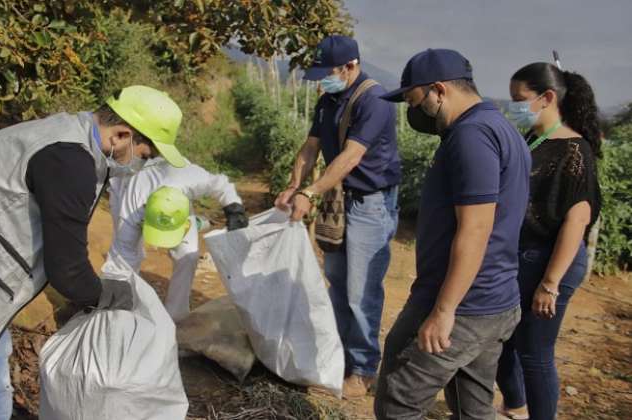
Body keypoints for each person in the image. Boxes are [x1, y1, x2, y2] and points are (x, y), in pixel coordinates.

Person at [0, 85, 185, 419]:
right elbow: (68, 270)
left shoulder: (63, 134)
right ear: (122, 134)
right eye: (145, 155)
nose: (142, 164)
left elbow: (52, 242)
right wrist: (100, 295)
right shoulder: (71, 162)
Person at [373, 49, 531, 419]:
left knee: (399, 400)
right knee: (473, 407)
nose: (416, 112)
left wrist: (444, 311)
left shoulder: (471, 136)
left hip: (464, 304)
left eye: (416, 101)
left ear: (439, 90)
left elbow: (475, 229)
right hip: (494, 299)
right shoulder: (499, 126)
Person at [275, 35, 400, 398]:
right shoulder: (329, 98)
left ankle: (362, 371)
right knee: (337, 282)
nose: (322, 80)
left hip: (369, 203)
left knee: (361, 291)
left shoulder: (373, 100)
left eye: (327, 73)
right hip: (340, 199)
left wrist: (311, 194)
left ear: (350, 66)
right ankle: (337, 360)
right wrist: (294, 184)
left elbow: (349, 158)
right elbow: (311, 146)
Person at [495, 63, 602, 420]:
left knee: (535, 352)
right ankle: (515, 407)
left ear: (548, 97)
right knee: (504, 340)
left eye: (519, 99)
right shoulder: (534, 139)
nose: (514, 106)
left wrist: (550, 284)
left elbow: (577, 219)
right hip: (525, 257)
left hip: (554, 260)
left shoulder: (574, 151)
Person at [102, 157, 247, 322]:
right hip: (127, 186)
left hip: (174, 197)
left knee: (189, 255)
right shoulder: (130, 207)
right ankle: (128, 306)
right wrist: (115, 300)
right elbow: (122, 255)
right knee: (130, 254)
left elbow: (221, 184)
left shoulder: (193, 180)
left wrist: (234, 208)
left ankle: (176, 315)